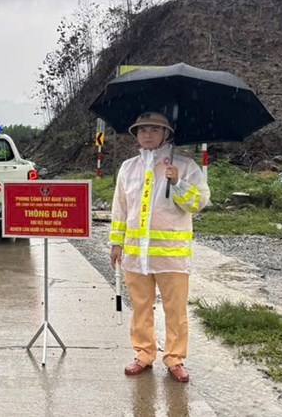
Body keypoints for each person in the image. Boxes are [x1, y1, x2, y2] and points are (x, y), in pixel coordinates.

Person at [109, 111, 210, 384]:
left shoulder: (185, 166)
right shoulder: (128, 168)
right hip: (135, 254)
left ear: (167, 134)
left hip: (171, 255)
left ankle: (175, 359)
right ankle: (143, 354)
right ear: (136, 135)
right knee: (141, 307)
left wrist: (177, 182)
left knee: (175, 310)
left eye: (155, 129)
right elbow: (120, 209)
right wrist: (116, 243)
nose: (148, 134)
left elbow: (198, 203)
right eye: (142, 130)